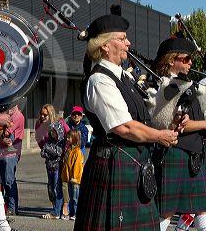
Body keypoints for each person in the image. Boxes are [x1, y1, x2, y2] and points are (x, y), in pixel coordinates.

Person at [73, 13, 180, 230]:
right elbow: (124, 126)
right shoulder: (99, 80)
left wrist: (172, 116)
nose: (128, 43)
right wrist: (160, 137)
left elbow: (145, 113)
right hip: (114, 165)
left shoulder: (125, 77)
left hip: (132, 162)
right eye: (122, 39)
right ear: (104, 46)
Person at [151, 37, 206, 231]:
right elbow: (181, 126)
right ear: (172, 60)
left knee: (200, 209)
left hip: (193, 154)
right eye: (186, 58)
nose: (191, 62)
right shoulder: (168, 87)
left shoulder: (189, 86)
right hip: (176, 153)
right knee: (167, 211)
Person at [40, 121, 65, 220]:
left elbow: (58, 152)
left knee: (56, 188)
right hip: (49, 167)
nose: (52, 133)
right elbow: (42, 153)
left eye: (54, 131)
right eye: (51, 131)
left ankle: (56, 211)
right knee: (51, 189)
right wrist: (48, 150)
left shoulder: (61, 142)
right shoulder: (48, 141)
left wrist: (48, 150)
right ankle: (55, 207)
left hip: (57, 168)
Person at [60, 129, 83, 221]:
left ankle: (76, 213)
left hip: (74, 179)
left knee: (75, 198)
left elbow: (77, 165)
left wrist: (75, 177)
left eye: (69, 137)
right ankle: (71, 213)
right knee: (69, 196)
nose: (67, 138)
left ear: (74, 138)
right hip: (67, 177)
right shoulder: (69, 149)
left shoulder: (77, 151)